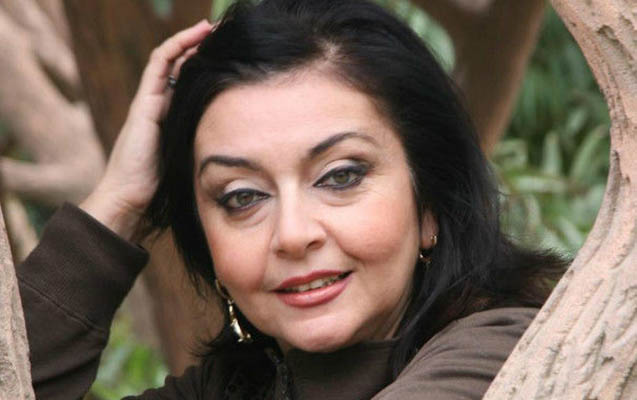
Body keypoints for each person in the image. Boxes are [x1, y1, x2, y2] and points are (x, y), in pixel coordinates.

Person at [18, 0, 567, 398]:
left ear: (430, 205)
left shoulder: (510, 350)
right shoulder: (236, 387)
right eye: (242, 197)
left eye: (340, 176)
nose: (292, 234)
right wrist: (120, 204)